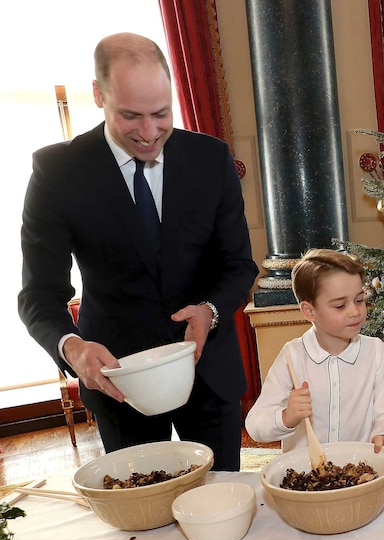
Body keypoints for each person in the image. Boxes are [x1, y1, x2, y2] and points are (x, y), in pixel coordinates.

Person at [18, 33, 259, 471]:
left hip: (208, 377)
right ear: (98, 95)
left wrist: (210, 310)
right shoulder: (57, 173)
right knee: (143, 527)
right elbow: (37, 294)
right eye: (131, 116)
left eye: (161, 114)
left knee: (223, 515)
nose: (149, 134)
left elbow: (239, 265)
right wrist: (72, 348)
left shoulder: (211, 159)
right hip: (118, 384)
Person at [245, 249, 384, 453]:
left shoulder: (375, 351)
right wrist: (286, 417)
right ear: (309, 311)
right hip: (306, 477)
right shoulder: (292, 356)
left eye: (359, 300)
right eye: (340, 305)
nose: (355, 312)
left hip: (358, 470)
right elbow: (255, 424)